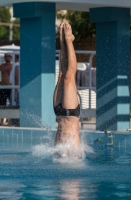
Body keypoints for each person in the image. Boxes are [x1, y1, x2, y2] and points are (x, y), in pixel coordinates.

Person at [53, 22, 80, 157]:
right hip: (70, 114)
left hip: (60, 113)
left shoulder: (73, 159)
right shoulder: (74, 157)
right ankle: (69, 42)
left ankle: (64, 41)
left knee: (63, 75)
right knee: (69, 76)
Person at [0, 53, 12, 125]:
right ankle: (1, 121)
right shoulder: (2, 66)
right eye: (6, 56)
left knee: (11, 104)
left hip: (10, 87)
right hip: (3, 87)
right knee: (2, 104)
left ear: (10, 57)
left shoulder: (13, 66)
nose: (7, 58)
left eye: (8, 56)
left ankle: (10, 121)